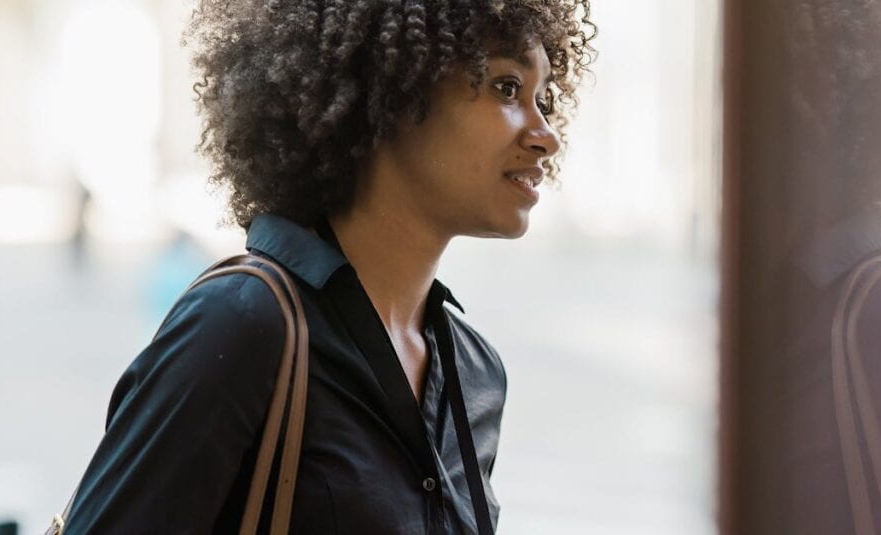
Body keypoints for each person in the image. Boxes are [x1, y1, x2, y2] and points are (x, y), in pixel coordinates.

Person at [62, 1, 595, 533]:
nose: (545, 134)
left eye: (543, 98)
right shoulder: (241, 325)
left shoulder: (475, 372)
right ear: (393, 89)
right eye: (507, 88)